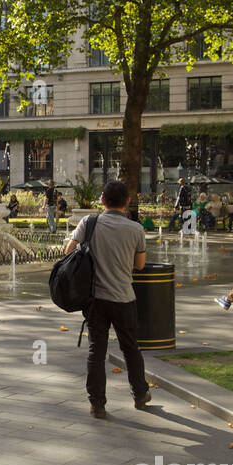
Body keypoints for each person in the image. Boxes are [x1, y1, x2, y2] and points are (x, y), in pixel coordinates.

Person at [65, 179, 150, 418]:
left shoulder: (88, 223)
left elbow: (68, 251)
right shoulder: (136, 229)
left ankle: (97, 403)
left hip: (95, 299)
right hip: (124, 297)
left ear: (102, 200)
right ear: (127, 202)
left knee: (96, 350)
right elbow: (140, 265)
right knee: (131, 348)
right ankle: (140, 394)